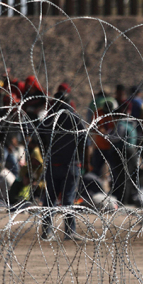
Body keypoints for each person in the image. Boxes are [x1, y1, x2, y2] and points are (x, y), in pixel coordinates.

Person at [40, 84, 86, 239]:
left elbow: (40, 139)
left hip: (53, 164)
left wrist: (47, 153)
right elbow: (84, 141)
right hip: (71, 165)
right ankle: (69, 232)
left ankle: (47, 232)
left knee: (49, 200)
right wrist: (82, 160)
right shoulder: (74, 119)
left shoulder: (49, 119)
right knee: (68, 199)